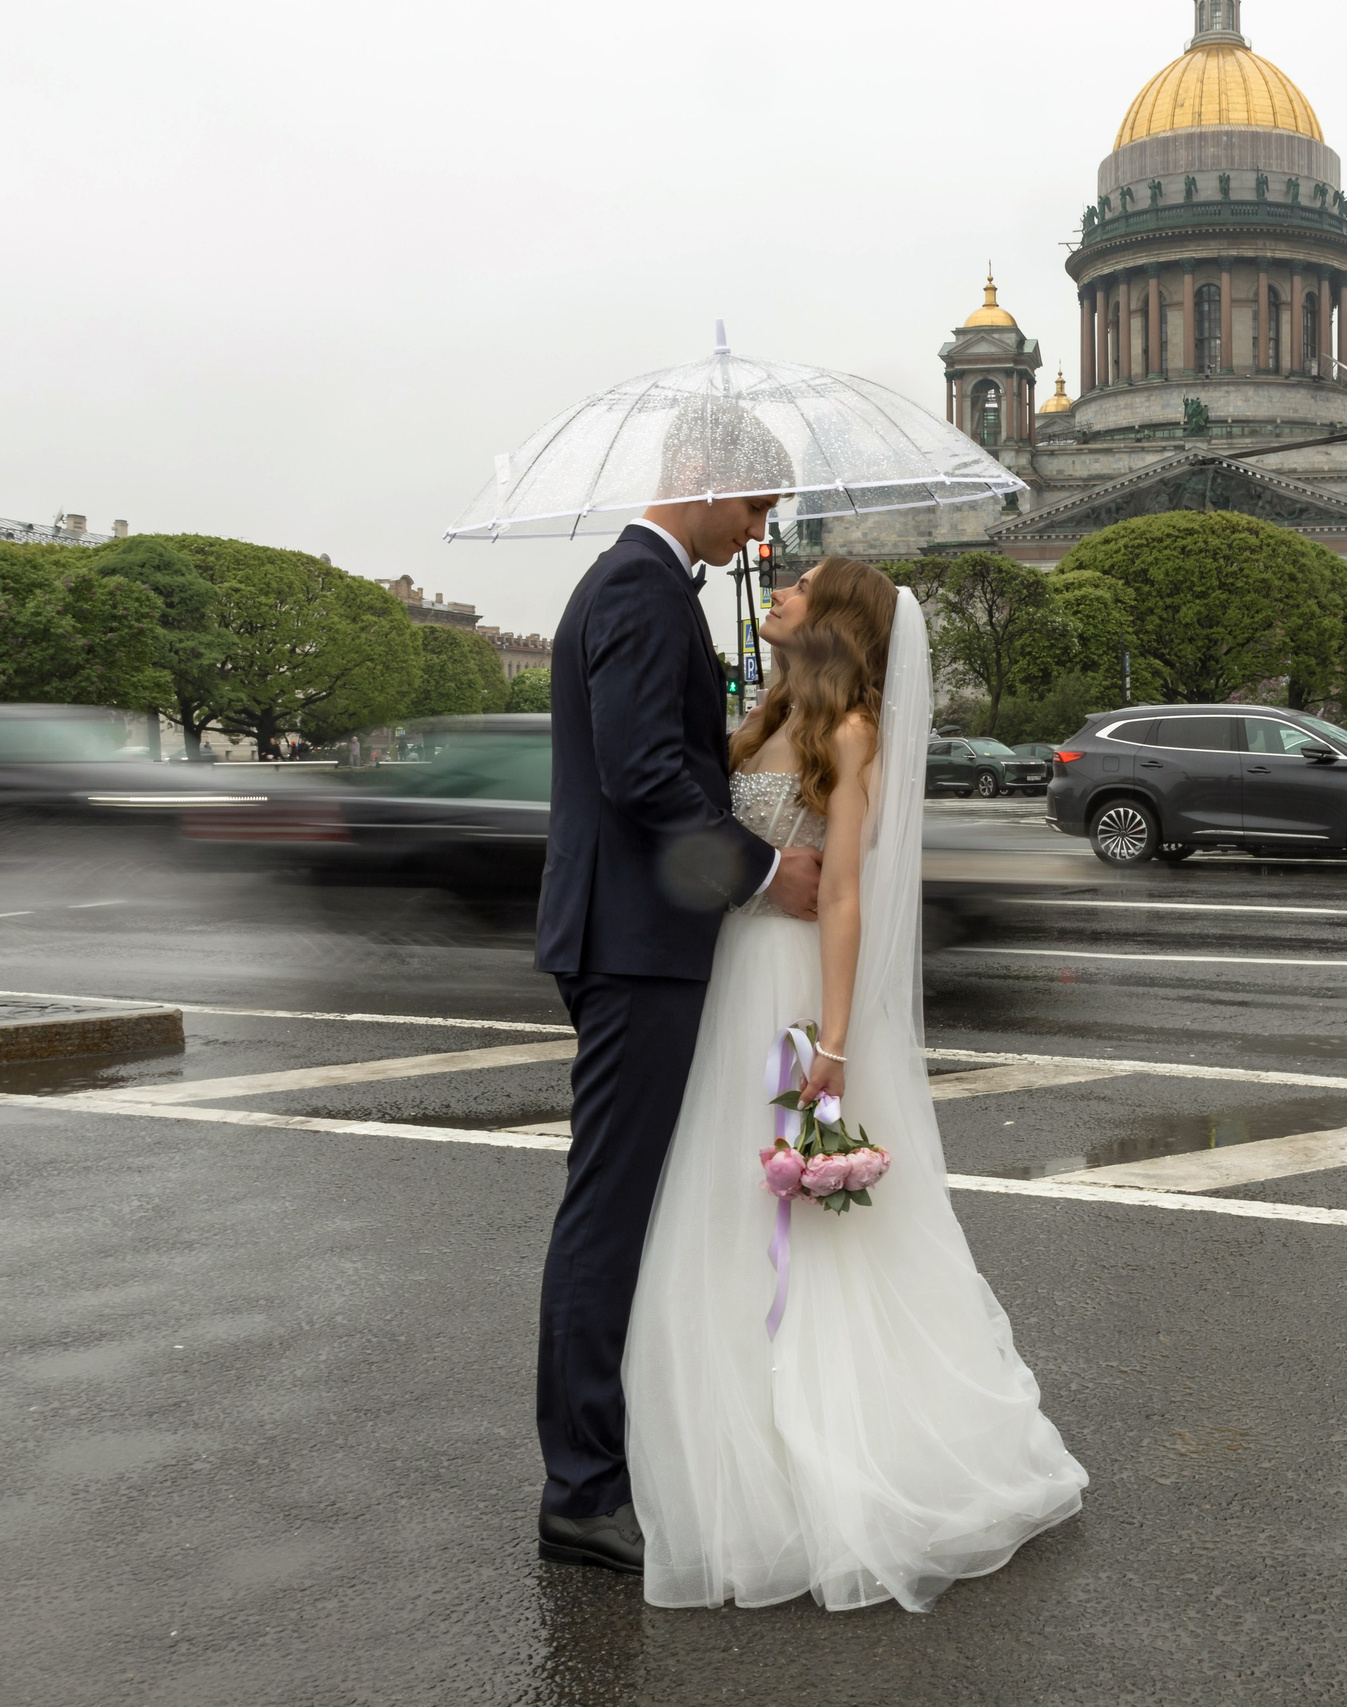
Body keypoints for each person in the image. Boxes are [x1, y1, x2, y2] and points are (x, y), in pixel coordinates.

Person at [619, 557, 1086, 1612]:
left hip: (787, 994)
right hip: (732, 977)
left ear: (834, 620)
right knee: (728, 1207)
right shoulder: (762, 715)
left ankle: (827, 1457)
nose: (775, 589)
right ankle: (741, 1435)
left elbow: (845, 901)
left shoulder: (851, 733)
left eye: (800, 586)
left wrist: (830, 1045)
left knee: (802, 1224)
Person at [532, 427, 825, 1576]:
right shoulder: (643, 591)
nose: (761, 530)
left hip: (624, 931)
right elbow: (641, 772)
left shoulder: (642, 586)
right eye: (755, 506)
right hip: (636, 942)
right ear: (703, 485)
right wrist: (760, 872)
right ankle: (582, 1489)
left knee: (619, 1202)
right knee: (607, 1210)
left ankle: (602, 1462)